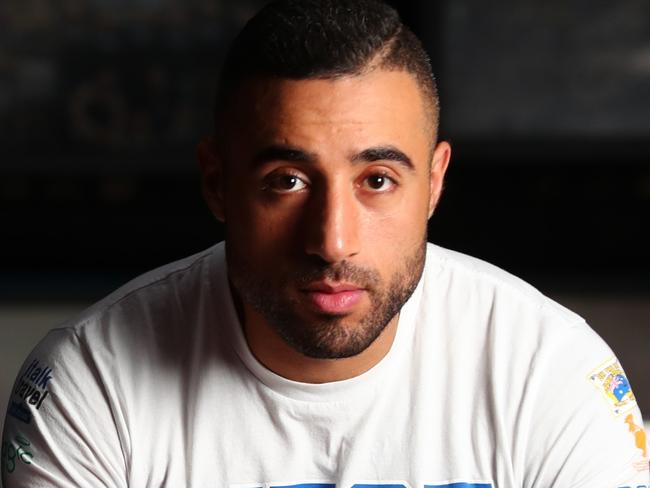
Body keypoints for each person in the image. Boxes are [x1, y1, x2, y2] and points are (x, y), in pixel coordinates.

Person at [2, 0, 648, 486]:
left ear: (434, 183)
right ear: (218, 183)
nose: (333, 240)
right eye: (286, 181)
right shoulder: (92, 381)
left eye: (377, 180)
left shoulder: (547, 370)